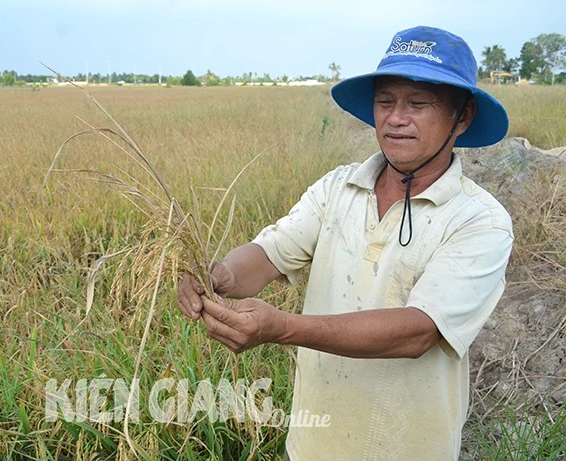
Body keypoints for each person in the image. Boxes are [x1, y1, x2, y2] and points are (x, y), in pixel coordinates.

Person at [177, 25, 513, 460]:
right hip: (314, 444)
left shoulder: (480, 221)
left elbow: (417, 332)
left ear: (462, 116)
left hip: (407, 448)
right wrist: (219, 276)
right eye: (386, 101)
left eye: (418, 103)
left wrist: (282, 328)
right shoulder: (338, 188)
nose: (396, 117)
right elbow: (268, 254)